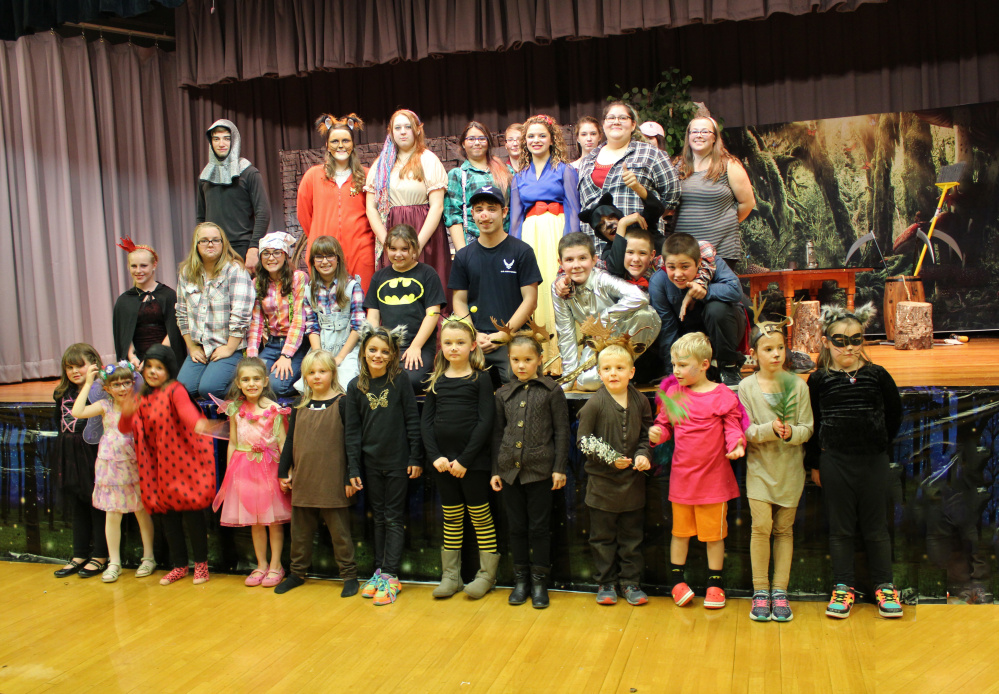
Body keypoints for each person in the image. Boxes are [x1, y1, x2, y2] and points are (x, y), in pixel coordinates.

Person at [806, 304, 904, 620]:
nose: (848, 347)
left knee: (876, 528)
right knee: (841, 529)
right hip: (835, 462)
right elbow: (814, 423)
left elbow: (894, 414)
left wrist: (878, 443)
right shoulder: (818, 380)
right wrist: (816, 463)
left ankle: (884, 587)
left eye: (855, 340)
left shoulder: (877, 375)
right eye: (840, 341)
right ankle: (843, 587)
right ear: (826, 341)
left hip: (873, 461)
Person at [649, 332, 746, 610]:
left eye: (682, 364)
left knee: (714, 536)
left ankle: (715, 584)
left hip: (714, 482)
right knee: (680, 533)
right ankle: (676, 582)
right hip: (682, 480)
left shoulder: (722, 394)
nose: (676, 371)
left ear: (704, 364)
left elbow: (733, 427)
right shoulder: (673, 393)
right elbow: (665, 426)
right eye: (674, 365)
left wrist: (736, 445)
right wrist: (659, 433)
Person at [119, 344, 215, 586]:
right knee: (168, 516)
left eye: (159, 368)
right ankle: (180, 565)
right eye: (149, 366)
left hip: (182, 461)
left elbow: (186, 413)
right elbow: (124, 429)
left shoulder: (175, 389)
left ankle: (201, 566)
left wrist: (200, 424)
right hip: (156, 466)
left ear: (169, 370)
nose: (152, 372)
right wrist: (127, 413)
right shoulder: (141, 396)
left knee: (192, 514)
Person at [737, 320, 813, 622]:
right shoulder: (745, 387)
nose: (776, 354)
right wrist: (769, 429)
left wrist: (791, 432)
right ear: (754, 354)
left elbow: (807, 428)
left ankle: (780, 591)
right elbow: (743, 430)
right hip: (759, 469)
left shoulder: (798, 384)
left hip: (790, 470)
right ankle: (760, 590)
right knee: (761, 527)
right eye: (768, 349)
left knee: (784, 530)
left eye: (781, 348)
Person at [345, 324, 423, 606]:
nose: (378, 355)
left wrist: (415, 457)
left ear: (393, 355)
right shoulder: (355, 387)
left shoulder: (400, 382)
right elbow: (352, 433)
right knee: (377, 518)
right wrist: (353, 469)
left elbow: (413, 421)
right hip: (370, 464)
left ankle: (390, 575)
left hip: (398, 463)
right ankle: (378, 572)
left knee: (392, 518)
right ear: (364, 352)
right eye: (373, 350)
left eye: (384, 351)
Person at [491, 335, 569, 609]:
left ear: (538, 359)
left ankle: (539, 581)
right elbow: (498, 434)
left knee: (539, 528)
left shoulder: (551, 390)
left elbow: (561, 432)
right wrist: (495, 470)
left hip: (540, 473)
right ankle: (520, 579)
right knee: (517, 528)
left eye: (527, 360)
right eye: (515, 360)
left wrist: (559, 468)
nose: (521, 365)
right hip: (509, 473)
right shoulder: (503, 394)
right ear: (509, 361)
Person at [423, 318, 498, 599]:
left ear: (473, 346)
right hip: (443, 464)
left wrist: (465, 460)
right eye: (448, 343)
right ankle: (451, 576)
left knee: (480, 517)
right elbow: (426, 424)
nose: (453, 348)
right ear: (441, 347)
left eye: (460, 343)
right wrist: (435, 457)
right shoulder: (437, 381)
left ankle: (486, 575)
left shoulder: (481, 378)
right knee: (452, 517)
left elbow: (485, 422)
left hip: (473, 464)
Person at [275, 350, 359, 597]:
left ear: (332, 373)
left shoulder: (343, 403)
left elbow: (352, 442)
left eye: (322, 371)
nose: (316, 376)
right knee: (300, 534)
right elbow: (290, 442)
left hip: (333, 481)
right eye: (311, 372)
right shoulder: (299, 405)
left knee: (340, 534)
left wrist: (349, 477)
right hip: (304, 479)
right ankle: (297, 573)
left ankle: (349, 575)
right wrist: (283, 471)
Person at [575, 344, 653, 606]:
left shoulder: (641, 401)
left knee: (632, 537)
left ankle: (630, 583)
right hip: (602, 486)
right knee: (602, 537)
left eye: (620, 368)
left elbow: (646, 435)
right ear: (599, 373)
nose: (613, 373)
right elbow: (583, 440)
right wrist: (610, 458)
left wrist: (643, 455)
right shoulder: (594, 404)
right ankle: (606, 582)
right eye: (607, 369)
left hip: (632, 485)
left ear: (631, 372)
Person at [71, 361, 155, 583]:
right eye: (116, 385)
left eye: (126, 382)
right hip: (110, 465)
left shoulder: (139, 404)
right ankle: (114, 562)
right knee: (112, 512)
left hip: (134, 463)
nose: (122, 388)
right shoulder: (104, 405)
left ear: (133, 382)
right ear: (107, 388)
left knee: (141, 510)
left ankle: (149, 557)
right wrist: (88, 383)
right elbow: (77, 412)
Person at [449, 184, 542, 386]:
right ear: (472, 214)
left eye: (492, 209)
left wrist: (504, 334)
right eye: (480, 209)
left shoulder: (522, 251)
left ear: (504, 212)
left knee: (518, 384)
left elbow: (530, 300)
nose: (485, 215)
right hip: (476, 340)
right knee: (460, 385)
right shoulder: (463, 256)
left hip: (514, 341)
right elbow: (459, 301)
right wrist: (473, 334)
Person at [212, 357, 292, 588]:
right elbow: (233, 443)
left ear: (265, 381)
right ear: (238, 382)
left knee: (273, 521)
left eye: (256, 379)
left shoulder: (275, 410)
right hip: (244, 469)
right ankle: (261, 564)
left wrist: (286, 472)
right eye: (245, 379)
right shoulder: (235, 410)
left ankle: (276, 565)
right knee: (255, 521)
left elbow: (283, 442)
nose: (251, 383)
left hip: (270, 468)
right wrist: (230, 473)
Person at [509, 114, 580, 371]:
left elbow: (573, 208)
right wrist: (512, 254)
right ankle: (540, 359)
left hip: (557, 231)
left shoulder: (565, 170)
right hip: (531, 235)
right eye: (531, 136)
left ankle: (567, 360)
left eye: (542, 135)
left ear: (552, 139)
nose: (536, 140)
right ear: (524, 142)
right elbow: (515, 219)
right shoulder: (519, 177)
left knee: (558, 287)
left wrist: (571, 248)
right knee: (535, 290)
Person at [553, 233, 660, 391]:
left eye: (582, 258)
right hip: (597, 341)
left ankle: (622, 368)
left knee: (648, 314)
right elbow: (565, 332)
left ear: (594, 260)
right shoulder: (559, 290)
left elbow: (640, 296)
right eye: (569, 260)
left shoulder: (602, 279)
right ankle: (612, 374)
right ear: (560, 263)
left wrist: (604, 318)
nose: (576, 265)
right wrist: (569, 376)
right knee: (585, 382)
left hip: (622, 333)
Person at [365, 109, 451, 296]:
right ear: (391, 132)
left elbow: (437, 206)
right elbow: (371, 208)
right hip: (392, 230)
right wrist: (387, 242)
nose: (403, 132)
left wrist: (417, 245)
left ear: (418, 130)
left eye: (408, 127)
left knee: (424, 283)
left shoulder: (428, 159)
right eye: (398, 128)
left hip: (423, 231)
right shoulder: (381, 164)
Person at [577, 101, 681, 249]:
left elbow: (672, 194)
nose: (616, 122)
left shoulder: (651, 154)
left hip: (638, 246)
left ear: (633, 125)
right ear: (604, 124)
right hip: (597, 246)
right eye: (611, 118)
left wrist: (649, 216)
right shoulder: (587, 160)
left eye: (623, 118)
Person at [648, 232, 745, 387]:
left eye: (685, 267)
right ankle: (702, 371)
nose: (678, 274)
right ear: (664, 263)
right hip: (688, 337)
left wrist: (706, 292)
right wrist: (674, 372)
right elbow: (667, 329)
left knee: (716, 309)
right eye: (671, 267)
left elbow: (735, 291)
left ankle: (728, 367)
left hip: (723, 331)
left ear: (698, 262)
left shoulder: (714, 263)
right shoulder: (658, 281)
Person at [176, 223, 255, 400]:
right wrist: (192, 347)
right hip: (201, 348)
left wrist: (229, 348)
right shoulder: (187, 273)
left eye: (215, 240)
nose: (210, 244)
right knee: (182, 391)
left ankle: (244, 395)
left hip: (230, 347)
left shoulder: (236, 271)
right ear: (196, 245)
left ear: (223, 244)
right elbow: (182, 313)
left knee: (209, 389)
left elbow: (241, 315)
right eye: (204, 240)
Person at [296, 113, 375, 292]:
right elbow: (304, 215)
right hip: (324, 254)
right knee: (326, 305)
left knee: (361, 304)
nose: (340, 146)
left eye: (346, 141)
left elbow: (375, 214)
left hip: (361, 252)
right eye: (335, 141)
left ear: (353, 144)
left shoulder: (367, 175)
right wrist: (320, 236)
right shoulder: (313, 176)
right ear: (327, 145)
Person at [363, 224, 445, 392]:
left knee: (410, 381)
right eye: (393, 249)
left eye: (404, 249)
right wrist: (379, 347)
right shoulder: (379, 276)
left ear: (414, 248)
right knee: (372, 380)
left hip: (418, 344)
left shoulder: (427, 274)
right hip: (386, 346)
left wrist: (415, 346)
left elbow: (433, 314)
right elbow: (373, 315)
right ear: (386, 248)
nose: (398, 254)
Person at [51, 344, 108, 580]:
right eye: (69, 367)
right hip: (69, 452)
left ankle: (101, 555)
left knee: (97, 504)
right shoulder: (62, 393)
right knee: (77, 504)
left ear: (93, 364)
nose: (74, 371)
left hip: (92, 453)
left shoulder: (100, 390)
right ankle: (79, 554)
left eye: (80, 365)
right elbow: (59, 422)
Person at [672, 111, 755, 268]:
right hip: (683, 250)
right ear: (688, 136)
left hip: (720, 250)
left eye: (705, 131)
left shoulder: (729, 165)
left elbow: (748, 203)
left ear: (715, 137)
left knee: (715, 292)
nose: (699, 135)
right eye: (694, 131)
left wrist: (724, 222)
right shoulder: (677, 166)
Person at [196, 119, 271, 269]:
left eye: (226, 138)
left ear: (234, 141)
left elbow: (263, 213)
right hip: (213, 250)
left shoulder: (249, 173)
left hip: (242, 248)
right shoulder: (205, 177)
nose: (221, 143)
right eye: (216, 139)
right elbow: (201, 218)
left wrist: (254, 248)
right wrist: (201, 246)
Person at [245, 231, 311, 397]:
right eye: (266, 253)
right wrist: (252, 357)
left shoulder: (299, 278)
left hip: (298, 344)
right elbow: (257, 322)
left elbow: (299, 320)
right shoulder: (258, 283)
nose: (271, 258)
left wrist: (286, 355)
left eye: (276, 252)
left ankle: (304, 377)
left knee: (275, 386)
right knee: (253, 378)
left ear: (285, 255)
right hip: (272, 344)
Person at [301, 235, 364, 392]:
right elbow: (312, 326)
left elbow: (358, 326)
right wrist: (319, 356)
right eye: (319, 257)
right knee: (310, 385)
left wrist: (340, 358)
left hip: (348, 348)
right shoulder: (310, 290)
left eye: (330, 256)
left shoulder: (352, 287)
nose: (324, 261)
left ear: (338, 259)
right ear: (313, 262)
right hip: (322, 347)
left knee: (343, 383)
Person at [112, 238, 185, 368]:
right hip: (136, 361)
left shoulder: (168, 295)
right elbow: (124, 335)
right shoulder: (124, 300)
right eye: (134, 266)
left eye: (143, 266)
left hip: (165, 358)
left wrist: (153, 358)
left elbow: (174, 331)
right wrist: (132, 357)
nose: (138, 271)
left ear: (154, 265)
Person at [444, 121, 514, 251]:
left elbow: (515, 208)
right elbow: (453, 215)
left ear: (488, 143)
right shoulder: (458, 175)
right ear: (463, 144)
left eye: (482, 138)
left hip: (505, 240)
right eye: (471, 139)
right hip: (473, 241)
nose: (477, 143)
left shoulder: (507, 171)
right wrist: (462, 253)